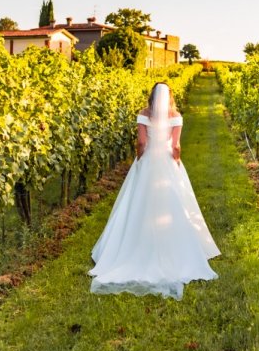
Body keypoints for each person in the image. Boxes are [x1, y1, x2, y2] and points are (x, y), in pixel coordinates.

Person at [88, 82, 220, 299]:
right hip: (167, 161)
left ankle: (131, 247)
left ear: (152, 97)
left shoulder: (144, 114)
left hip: (148, 161)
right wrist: (176, 161)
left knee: (137, 203)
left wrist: (140, 159)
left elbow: (141, 142)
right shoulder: (176, 115)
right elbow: (176, 146)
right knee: (176, 204)